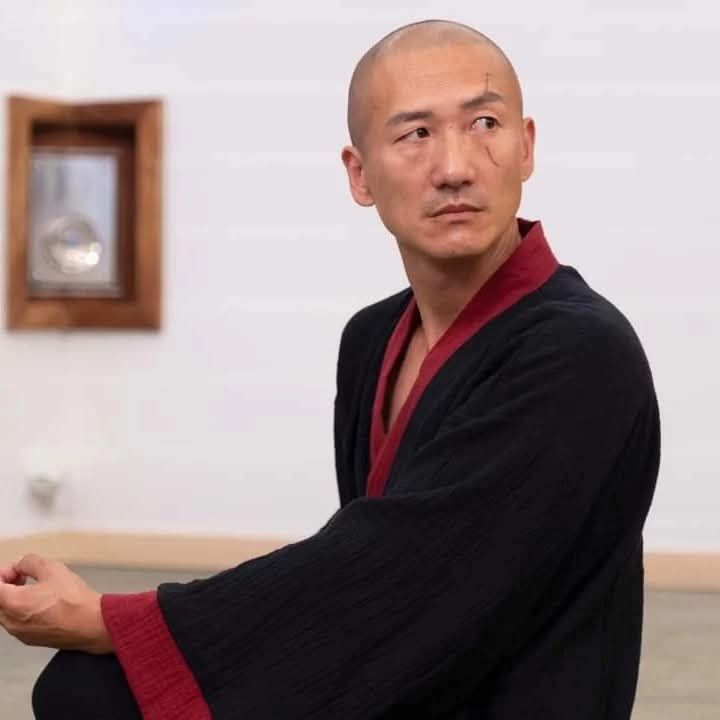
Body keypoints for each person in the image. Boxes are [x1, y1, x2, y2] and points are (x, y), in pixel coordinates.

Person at [0, 19, 659, 720]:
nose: (456, 166)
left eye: (484, 124)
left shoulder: (582, 351)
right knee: (84, 688)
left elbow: (403, 576)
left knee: (100, 693)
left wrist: (115, 619)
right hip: (412, 675)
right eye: (416, 133)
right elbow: (364, 561)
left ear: (526, 147)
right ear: (359, 174)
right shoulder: (371, 339)